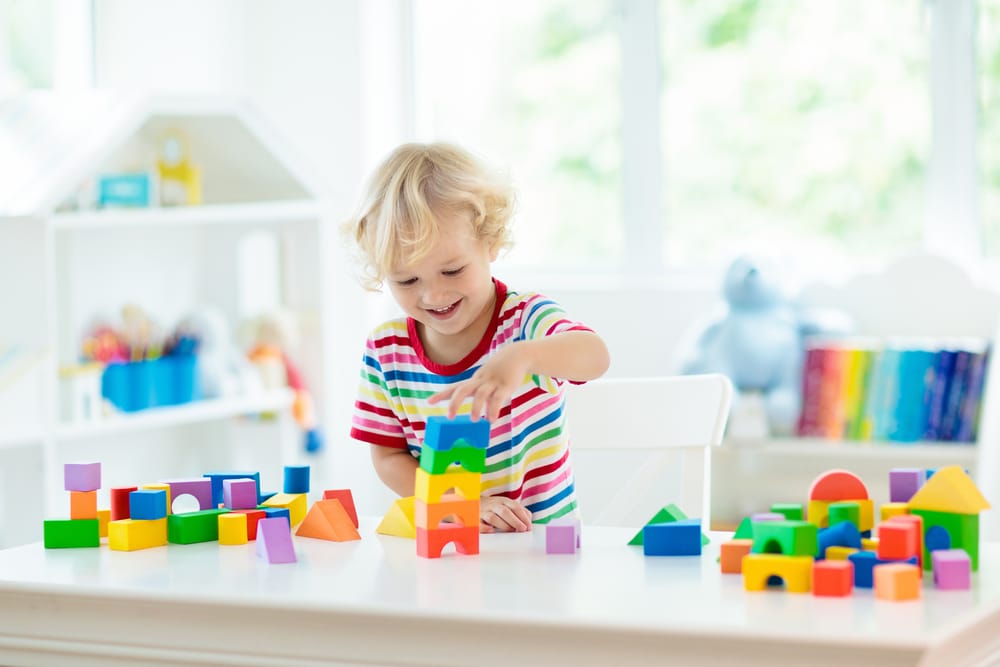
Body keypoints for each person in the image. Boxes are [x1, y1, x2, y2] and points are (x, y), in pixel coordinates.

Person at [344, 142, 610, 533]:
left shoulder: (526, 321)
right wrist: (457, 503)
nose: (433, 295)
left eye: (452, 271)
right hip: (450, 544)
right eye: (407, 280)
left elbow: (595, 356)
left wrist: (522, 357)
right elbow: (388, 456)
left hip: (543, 548)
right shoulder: (386, 350)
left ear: (491, 242)